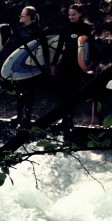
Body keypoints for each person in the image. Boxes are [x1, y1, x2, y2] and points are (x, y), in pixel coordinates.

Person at [0, 5, 50, 127]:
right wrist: (2, 60)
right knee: (20, 91)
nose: (20, 16)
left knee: (29, 91)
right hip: (19, 65)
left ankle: (27, 116)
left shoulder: (38, 30)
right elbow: (11, 46)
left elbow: (45, 48)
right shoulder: (19, 29)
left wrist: (46, 64)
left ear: (29, 17)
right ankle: (19, 114)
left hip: (31, 65)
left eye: (22, 14)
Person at [50, 3, 93, 134]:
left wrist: (90, 64)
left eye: (73, 14)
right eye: (69, 15)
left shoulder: (87, 28)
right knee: (63, 92)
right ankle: (63, 118)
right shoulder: (65, 28)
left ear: (80, 14)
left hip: (78, 65)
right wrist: (53, 64)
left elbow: (91, 47)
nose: (71, 17)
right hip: (65, 64)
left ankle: (70, 119)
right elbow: (59, 48)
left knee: (74, 93)